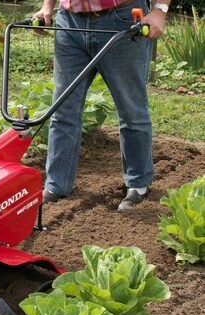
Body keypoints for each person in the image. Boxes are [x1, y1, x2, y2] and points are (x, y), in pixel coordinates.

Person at [33, 0, 170, 212]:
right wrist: (47, 8)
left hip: (122, 19)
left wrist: (159, 10)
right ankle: (56, 185)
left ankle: (138, 184)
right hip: (70, 23)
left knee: (131, 110)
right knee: (63, 111)